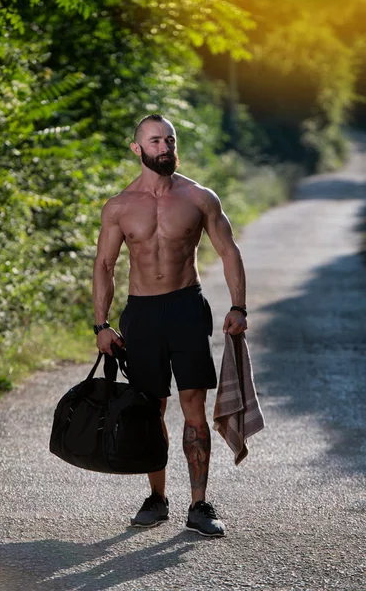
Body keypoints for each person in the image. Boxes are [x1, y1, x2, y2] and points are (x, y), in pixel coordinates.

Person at [92, 114, 247, 537]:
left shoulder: (199, 197)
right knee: (150, 407)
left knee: (192, 402)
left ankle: (199, 505)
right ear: (137, 149)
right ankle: (157, 498)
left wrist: (239, 307)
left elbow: (228, 251)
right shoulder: (120, 206)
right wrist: (101, 324)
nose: (165, 147)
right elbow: (104, 265)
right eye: (155, 141)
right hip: (141, 312)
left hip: (185, 307)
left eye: (170, 140)